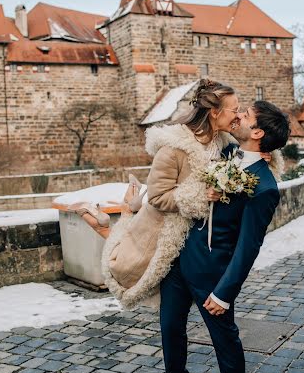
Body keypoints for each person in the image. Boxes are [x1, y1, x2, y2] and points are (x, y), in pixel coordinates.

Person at [159, 100, 290, 373]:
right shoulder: (225, 154)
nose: (238, 116)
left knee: (225, 340)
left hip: (214, 275)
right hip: (181, 260)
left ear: (257, 133)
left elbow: (249, 247)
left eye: (245, 116)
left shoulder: (264, 187)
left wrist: (224, 292)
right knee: (170, 327)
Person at [70, 79, 261, 309]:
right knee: (172, 321)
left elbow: (246, 152)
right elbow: (158, 197)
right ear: (214, 113)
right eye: (234, 109)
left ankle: (112, 218)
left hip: (197, 246)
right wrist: (201, 197)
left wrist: (261, 153)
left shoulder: (224, 143)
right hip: (169, 240)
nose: (238, 115)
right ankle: (104, 224)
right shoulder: (174, 147)